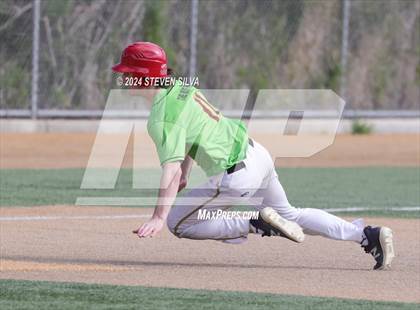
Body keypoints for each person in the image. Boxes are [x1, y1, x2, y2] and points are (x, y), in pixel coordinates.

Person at [112, 41, 395, 270]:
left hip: (236, 175)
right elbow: (189, 135)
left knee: (178, 223)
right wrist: (186, 171)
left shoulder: (161, 116)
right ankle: (367, 235)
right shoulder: (182, 87)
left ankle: (253, 221)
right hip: (257, 154)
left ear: (143, 76)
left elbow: (170, 170)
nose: (123, 77)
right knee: (290, 214)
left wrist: (158, 217)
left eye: (128, 72)